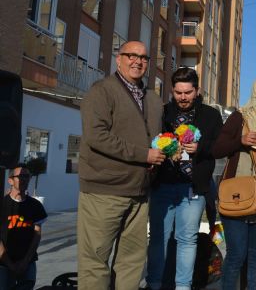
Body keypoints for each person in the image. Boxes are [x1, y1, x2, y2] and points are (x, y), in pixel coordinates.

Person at [78, 41, 165, 290]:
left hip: (139, 193)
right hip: (103, 191)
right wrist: (144, 155)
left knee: (132, 263)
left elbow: (155, 140)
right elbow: (96, 136)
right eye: (131, 55)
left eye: (144, 58)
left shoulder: (153, 99)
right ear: (119, 59)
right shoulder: (101, 91)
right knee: (95, 262)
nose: (138, 61)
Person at [146, 67, 223, 290]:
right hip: (163, 186)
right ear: (172, 90)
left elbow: (219, 147)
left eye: (187, 92)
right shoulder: (162, 113)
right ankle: (155, 284)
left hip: (193, 189)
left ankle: (183, 287)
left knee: (187, 239)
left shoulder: (210, 115)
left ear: (197, 90)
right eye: (178, 92)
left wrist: (201, 147)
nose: (182, 97)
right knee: (158, 238)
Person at [213, 75, 256, 290]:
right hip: (237, 195)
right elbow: (217, 149)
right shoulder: (240, 117)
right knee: (236, 255)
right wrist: (240, 141)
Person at [0, 164, 47, 289]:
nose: (24, 179)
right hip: (3, 264)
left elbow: (37, 236)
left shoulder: (35, 206)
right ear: (10, 180)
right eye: (20, 176)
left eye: (27, 176)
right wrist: (9, 264)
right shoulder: (2, 204)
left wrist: (25, 261)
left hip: (27, 262)